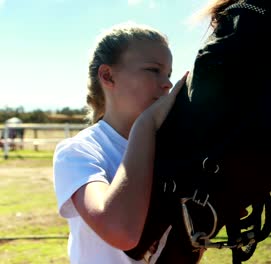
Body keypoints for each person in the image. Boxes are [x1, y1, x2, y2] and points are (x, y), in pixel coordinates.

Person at [53, 21, 189, 264]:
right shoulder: (78, 151)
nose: (167, 83)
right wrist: (145, 126)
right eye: (153, 70)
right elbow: (121, 232)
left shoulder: (174, 150)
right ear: (108, 76)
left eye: (168, 73)